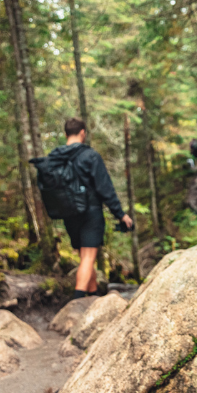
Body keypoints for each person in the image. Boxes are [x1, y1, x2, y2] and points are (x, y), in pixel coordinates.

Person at [46, 118, 133, 298]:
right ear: (83, 133)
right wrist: (120, 214)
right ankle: (77, 300)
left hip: (68, 212)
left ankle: (93, 296)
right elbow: (105, 188)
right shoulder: (90, 156)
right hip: (90, 212)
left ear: (65, 134)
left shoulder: (55, 157)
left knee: (85, 257)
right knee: (88, 257)